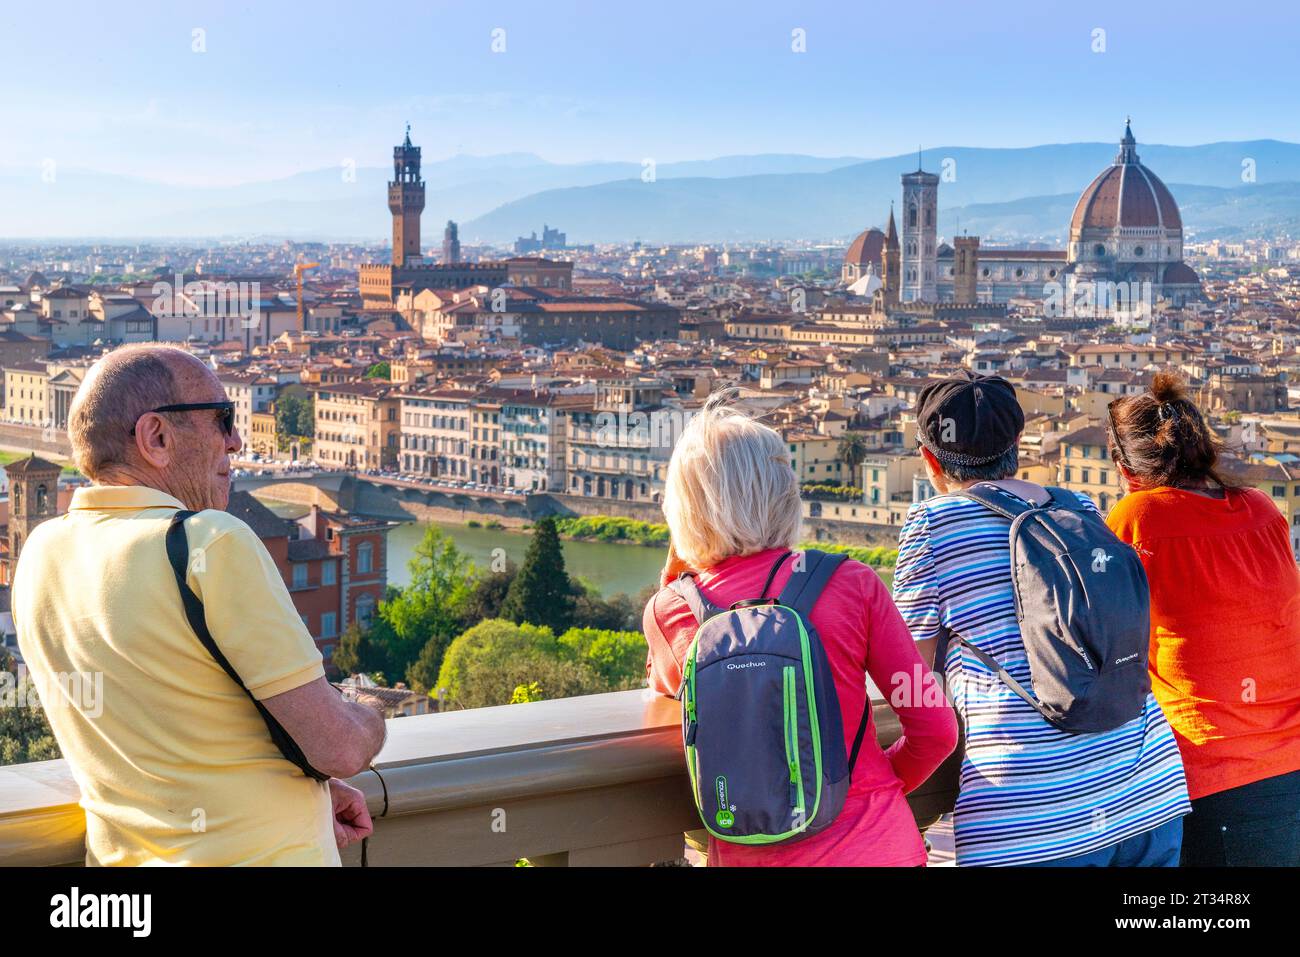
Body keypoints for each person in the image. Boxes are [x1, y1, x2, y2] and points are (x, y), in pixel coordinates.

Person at [13, 344, 387, 865]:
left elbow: (173, 725)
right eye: (222, 419)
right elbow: (340, 747)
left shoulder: (40, 553)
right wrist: (368, 709)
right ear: (156, 437)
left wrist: (294, 793)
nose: (236, 441)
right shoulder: (210, 541)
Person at [643, 394, 957, 866]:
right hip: (878, 845)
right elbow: (936, 728)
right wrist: (871, 787)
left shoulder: (670, 612)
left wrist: (675, 578)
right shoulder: (852, 583)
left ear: (683, 509)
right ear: (785, 493)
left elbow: (665, 685)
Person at [892, 370, 1189, 866]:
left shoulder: (931, 524)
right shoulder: (1080, 507)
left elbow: (910, 671)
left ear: (930, 460)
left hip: (1030, 813)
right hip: (1147, 782)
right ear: (1018, 444)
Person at [1106, 372, 1300, 866]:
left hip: (1207, 769)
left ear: (1126, 469)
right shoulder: (1261, 509)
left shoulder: (1137, 517)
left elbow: (1103, 644)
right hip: (1289, 762)